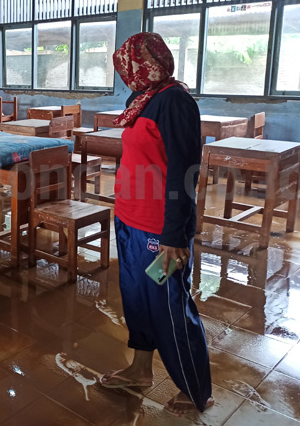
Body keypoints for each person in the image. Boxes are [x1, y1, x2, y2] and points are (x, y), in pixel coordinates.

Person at [99, 32, 214, 416]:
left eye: (129, 64)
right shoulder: (141, 100)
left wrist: (174, 235)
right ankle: (140, 370)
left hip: (158, 230)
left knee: (170, 306)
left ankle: (195, 388)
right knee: (136, 300)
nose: (125, 73)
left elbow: (185, 171)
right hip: (130, 220)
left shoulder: (175, 102)